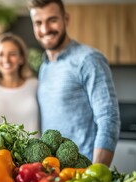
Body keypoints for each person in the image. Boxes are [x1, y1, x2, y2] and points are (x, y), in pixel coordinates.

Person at [28, 0, 120, 166]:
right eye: (38, 23)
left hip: (83, 171)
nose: (45, 29)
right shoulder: (45, 67)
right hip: (54, 173)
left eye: (52, 20)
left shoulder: (88, 59)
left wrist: (95, 173)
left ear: (66, 19)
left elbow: (109, 118)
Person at [0, 33, 39, 135]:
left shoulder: (35, 85)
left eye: (12, 54)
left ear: (21, 58)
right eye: (1, 54)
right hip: (1, 151)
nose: (6, 59)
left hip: (35, 148)